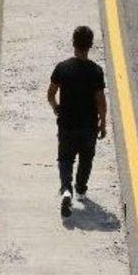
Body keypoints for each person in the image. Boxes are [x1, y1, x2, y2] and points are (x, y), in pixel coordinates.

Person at [47, 25, 106, 218]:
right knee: (86, 159)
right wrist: (103, 122)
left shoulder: (62, 68)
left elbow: (51, 93)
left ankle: (66, 190)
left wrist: (56, 107)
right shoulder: (96, 72)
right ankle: (80, 189)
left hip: (66, 125)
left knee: (65, 159)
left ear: (73, 43)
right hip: (88, 126)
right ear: (90, 46)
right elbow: (100, 101)